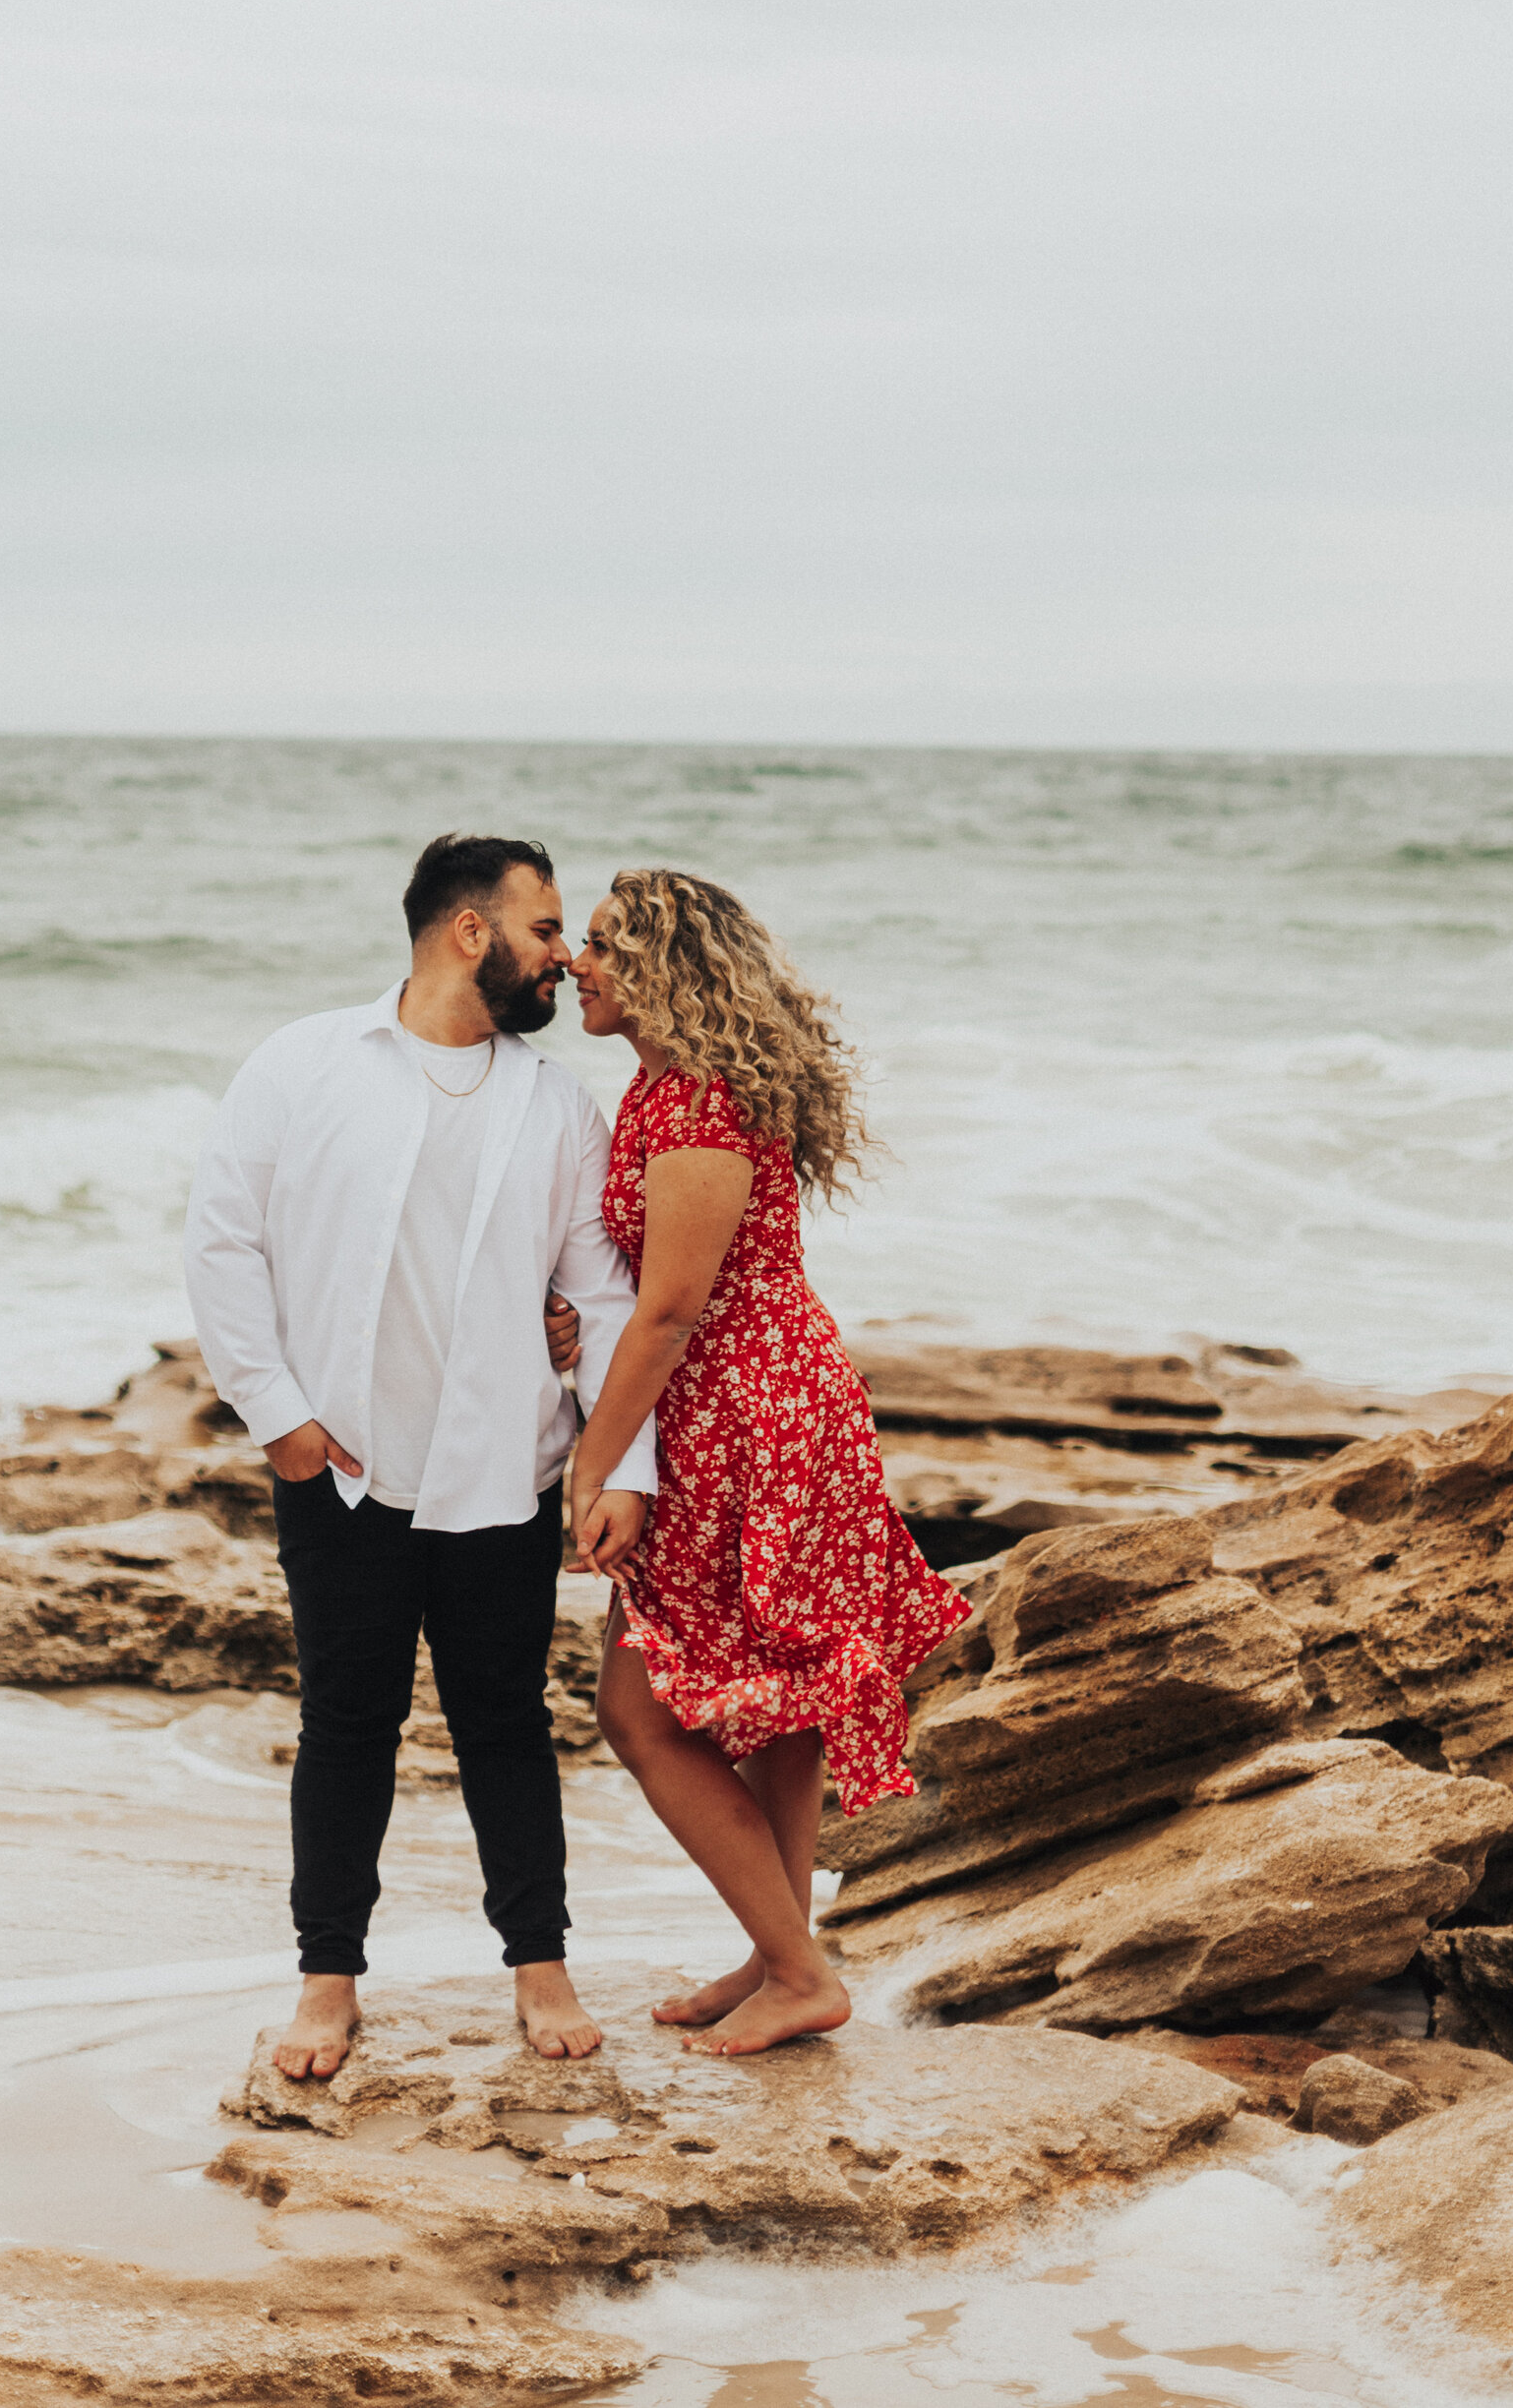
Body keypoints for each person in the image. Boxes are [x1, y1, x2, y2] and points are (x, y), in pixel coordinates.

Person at [183, 832, 657, 2081]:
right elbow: (222, 1240)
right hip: (342, 1467)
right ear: (469, 930)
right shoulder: (304, 1064)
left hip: (504, 1467)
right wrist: (275, 1413)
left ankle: (540, 1967)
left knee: (507, 1724)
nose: (565, 956)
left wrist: (620, 1469)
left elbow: (602, 1299)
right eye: (545, 929)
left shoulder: (556, 1104)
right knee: (348, 1723)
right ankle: (327, 1981)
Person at [566, 866, 973, 2055]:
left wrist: (595, 1467)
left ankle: (800, 1972)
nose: (578, 964)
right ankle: (778, 1952)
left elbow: (670, 1313)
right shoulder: (665, 1088)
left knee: (639, 1714)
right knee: (784, 1706)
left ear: (662, 969)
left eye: (602, 945)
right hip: (764, 1403)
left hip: (750, 1419)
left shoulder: (697, 1105)